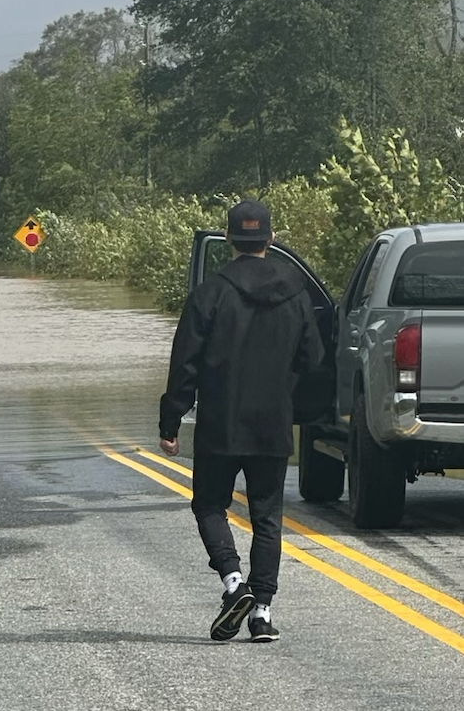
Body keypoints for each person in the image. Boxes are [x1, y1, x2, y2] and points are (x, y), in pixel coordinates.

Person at [158, 200, 324, 643]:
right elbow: (314, 359)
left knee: (210, 505)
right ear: (270, 239)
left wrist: (170, 421)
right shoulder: (295, 293)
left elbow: (185, 364)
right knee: (267, 517)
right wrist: (297, 408)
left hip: (220, 424)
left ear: (229, 239)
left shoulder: (210, 292)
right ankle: (263, 613)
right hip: (272, 424)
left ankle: (234, 584)